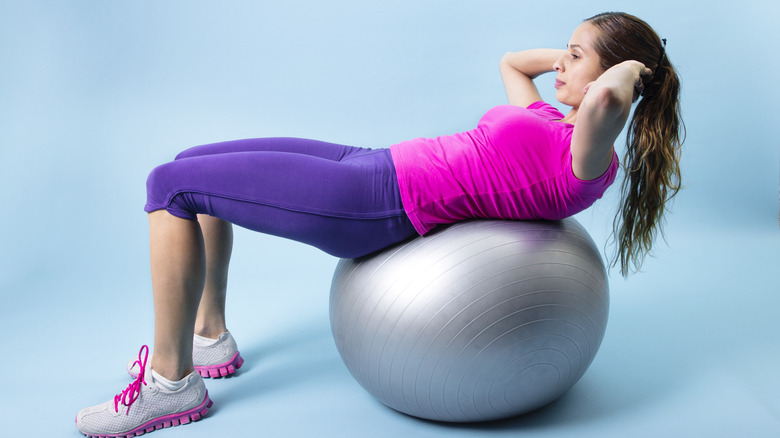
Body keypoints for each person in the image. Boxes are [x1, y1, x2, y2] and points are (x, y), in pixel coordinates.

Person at [75, 11, 682, 437]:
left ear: (616, 80)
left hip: (374, 204)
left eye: (577, 58)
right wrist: (570, 57)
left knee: (167, 186)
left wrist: (631, 72)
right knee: (189, 168)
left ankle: (171, 382)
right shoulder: (552, 122)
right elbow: (511, 65)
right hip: (370, 163)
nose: (560, 67)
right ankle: (209, 338)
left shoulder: (584, 158)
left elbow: (604, 101)